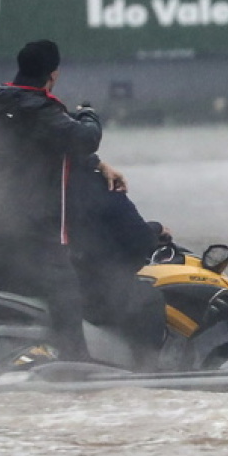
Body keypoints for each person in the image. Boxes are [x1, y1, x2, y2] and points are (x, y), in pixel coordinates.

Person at [0, 39, 104, 361]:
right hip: (22, 220)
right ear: (53, 74)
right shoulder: (38, 108)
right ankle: (77, 363)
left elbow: (37, 149)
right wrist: (89, 115)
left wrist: (100, 166)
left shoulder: (1, 102)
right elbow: (84, 139)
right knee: (64, 288)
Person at [64, 158, 167, 369]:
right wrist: (156, 230)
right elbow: (139, 239)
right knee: (147, 300)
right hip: (88, 293)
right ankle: (147, 371)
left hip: (35, 280)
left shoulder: (29, 182)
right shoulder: (99, 185)